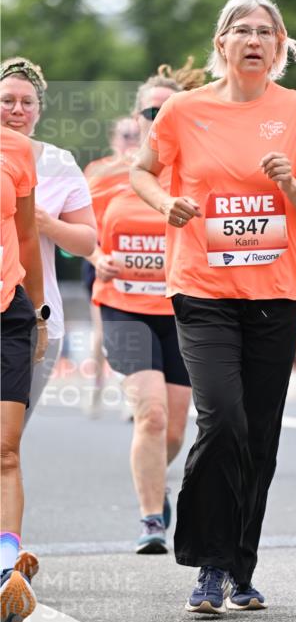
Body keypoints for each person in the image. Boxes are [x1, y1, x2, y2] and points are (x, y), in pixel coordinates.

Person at [131, 0, 296, 614]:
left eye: (265, 32)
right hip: (203, 289)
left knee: (261, 437)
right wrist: (168, 204)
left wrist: (288, 183)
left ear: (279, 48)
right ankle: (208, 565)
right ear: (221, 43)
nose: (254, 40)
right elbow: (143, 170)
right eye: (242, 30)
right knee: (222, 418)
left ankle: (240, 566)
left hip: (276, 296)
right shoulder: (185, 111)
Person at [88, 65, 205, 553]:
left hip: (180, 307)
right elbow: (75, 231)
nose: (158, 119)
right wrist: (97, 256)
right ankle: (151, 520)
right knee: (152, 415)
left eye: (166, 111)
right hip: (123, 307)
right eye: (150, 112)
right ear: (137, 117)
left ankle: (158, 482)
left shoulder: (198, 172)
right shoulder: (107, 175)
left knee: (175, 428)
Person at [0, 58, 97, 422]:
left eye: (27, 103)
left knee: (7, 442)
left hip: (36, 319)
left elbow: (87, 243)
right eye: (7, 100)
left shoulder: (59, 162)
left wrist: (44, 223)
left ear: (39, 111)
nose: (16, 110)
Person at [1, 126, 48, 622]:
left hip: (7, 313)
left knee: (6, 451)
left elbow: (29, 233)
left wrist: (38, 314)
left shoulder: (13, 149)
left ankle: (4, 572)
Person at [82, 117, 140, 413]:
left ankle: (133, 396)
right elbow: (82, 219)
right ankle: (96, 388)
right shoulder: (99, 171)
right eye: (125, 135)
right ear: (113, 139)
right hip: (103, 257)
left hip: (142, 257)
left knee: (137, 329)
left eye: (136, 135)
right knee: (102, 332)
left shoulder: (147, 170)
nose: (131, 140)